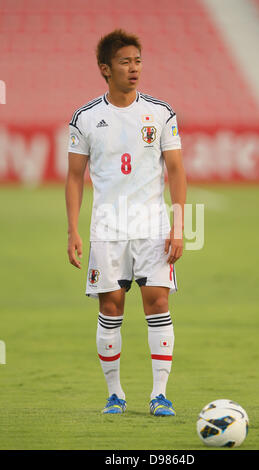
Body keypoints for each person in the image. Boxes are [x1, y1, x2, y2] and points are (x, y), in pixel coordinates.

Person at [65, 29, 186, 416]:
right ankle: (115, 394)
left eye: (137, 61)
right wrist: (73, 230)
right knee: (112, 308)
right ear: (105, 69)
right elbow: (73, 177)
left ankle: (159, 395)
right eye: (124, 62)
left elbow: (177, 170)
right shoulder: (85, 118)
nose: (134, 69)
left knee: (159, 302)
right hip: (108, 228)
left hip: (151, 226)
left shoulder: (161, 113)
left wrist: (179, 225)